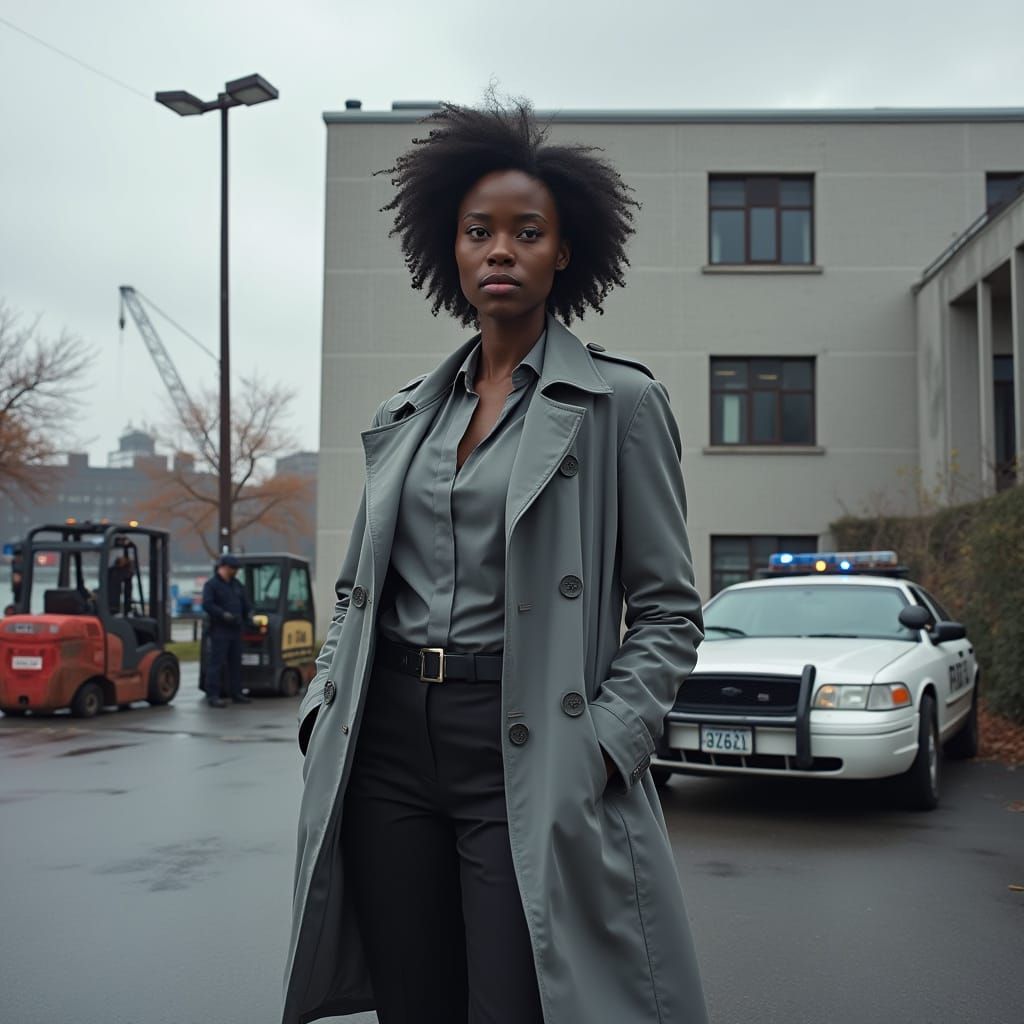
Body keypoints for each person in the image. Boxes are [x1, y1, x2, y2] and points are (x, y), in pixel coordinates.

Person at [284, 99, 707, 1024]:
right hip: (388, 744)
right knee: (414, 1001)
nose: (501, 250)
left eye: (527, 232)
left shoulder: (619, 405)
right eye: (480, 232)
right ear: (453, 251)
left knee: (516, 1002)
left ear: (566, 251)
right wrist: (324, 704)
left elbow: (671, 612)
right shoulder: (408, 415)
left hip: (521, 744)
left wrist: (602, 745)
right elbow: (359, 591)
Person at [201, 554, 252, 708]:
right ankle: (213, 695)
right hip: (220, 630)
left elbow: (245, 603)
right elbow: (208, 605)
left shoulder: (236, 584)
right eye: (232, 569)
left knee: (235, 663)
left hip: (236, 630)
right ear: (223, 567)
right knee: (216, 664)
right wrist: (223, 615)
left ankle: (236, 693)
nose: (234, 571)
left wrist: (249, 614)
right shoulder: (212, 585)